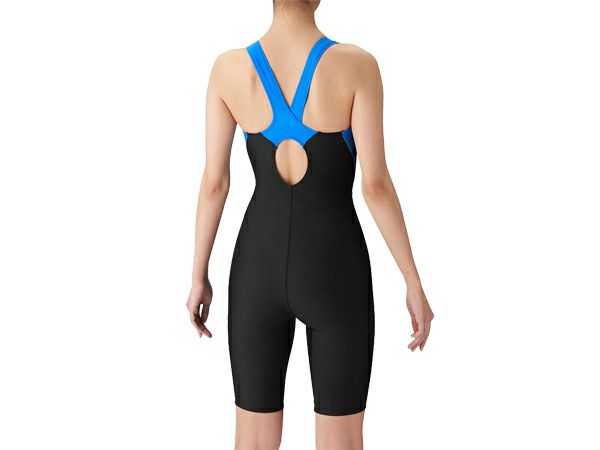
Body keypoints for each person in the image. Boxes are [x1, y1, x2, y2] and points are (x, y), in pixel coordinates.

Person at [186, 0, 434, 448]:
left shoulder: (228, 70)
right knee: (342, 441)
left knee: (252, 440)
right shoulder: (357, 66)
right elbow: (376, 186)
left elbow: (214, 183)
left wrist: (198, 275)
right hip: (335, 269)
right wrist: (412, 280)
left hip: (256, 268)